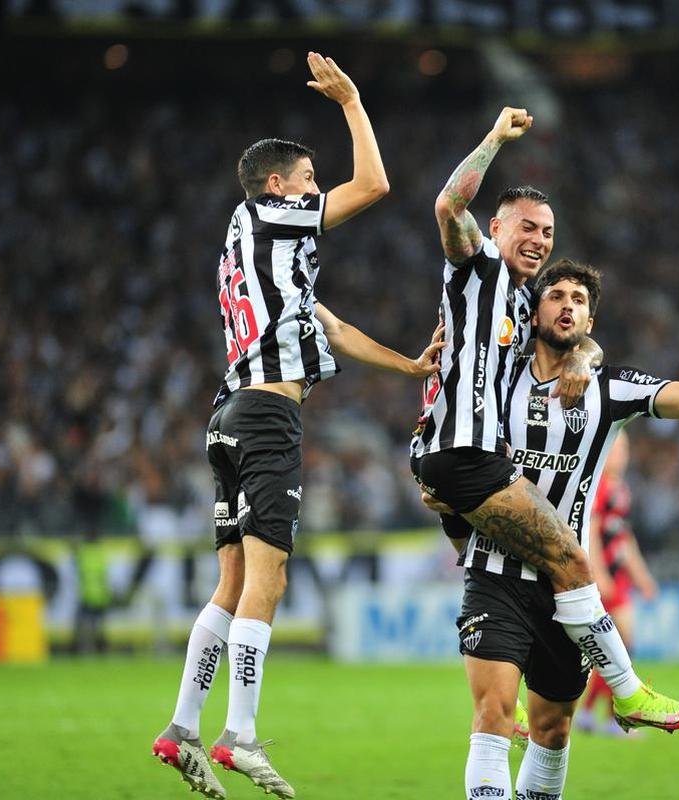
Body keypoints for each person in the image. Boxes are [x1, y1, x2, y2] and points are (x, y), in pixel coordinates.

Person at [151, 52, 443, 800]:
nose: (317, 191)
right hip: (267, 415)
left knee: (232, 582)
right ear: (278, 186)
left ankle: (181, 727)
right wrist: (351, 101)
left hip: (227, 415)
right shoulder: (265, 213)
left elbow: (333, 327)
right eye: (309, 181)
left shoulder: (256, 253)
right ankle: (239, 735)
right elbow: (374, 185)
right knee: (268, 582)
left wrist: (409, 365)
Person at [410, 107, 679, 746]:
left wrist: (586, 354)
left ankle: (505, 692)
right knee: (571, 556)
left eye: (547, 231)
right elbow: (446, 205)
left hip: (463, 458)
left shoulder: (523, 302)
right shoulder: (478, 265)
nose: (539, 239)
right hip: (464, 450)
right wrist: (492, 138)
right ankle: (629, 691)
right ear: (496, 228)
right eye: (526, 227)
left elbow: (567, 338)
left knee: (490, 562)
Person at [425, 257, 679, 799]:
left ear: (590, 322)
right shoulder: (495, 377)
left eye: (579, 300)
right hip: (493, 574)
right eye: (557, 295)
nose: (567, 305)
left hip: (565, 595)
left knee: (552, 728)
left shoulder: (611, 387)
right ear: (533, 309)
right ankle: (630, 691)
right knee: (494, 716)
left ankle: (622, 696)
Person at [577, 430, 660, 736]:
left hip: (619, 579)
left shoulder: (621, 489)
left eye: (625, 449)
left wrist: (642, 577)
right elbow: (592, 531)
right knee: (621, 645)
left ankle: (590, 714)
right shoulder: (597, 487)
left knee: (617, 647)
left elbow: (623, 539)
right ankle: (614, 717)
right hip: (605, 580)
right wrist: (598, 574)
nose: (622, 455)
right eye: (617, 448)